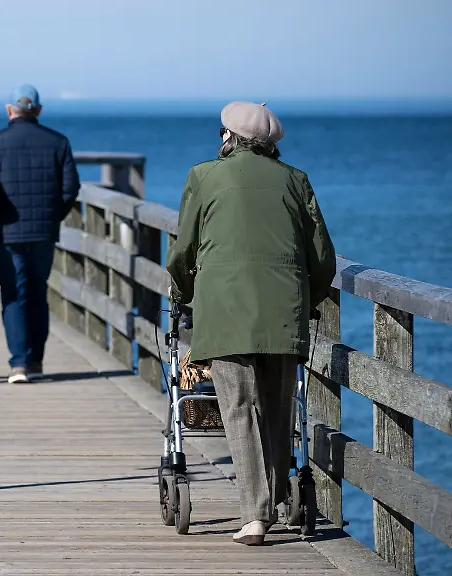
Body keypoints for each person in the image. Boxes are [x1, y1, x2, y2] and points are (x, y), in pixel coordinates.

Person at [166, 101, 336, 546]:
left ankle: (254, 517)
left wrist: (182, 295)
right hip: (283, 314)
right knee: (279, 411)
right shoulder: (295, 180)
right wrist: (309, 300)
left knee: (239, 409)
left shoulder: (203, 176)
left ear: (229, 137)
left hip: (224, 312)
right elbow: (323, 259)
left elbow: (183, 250)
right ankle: (278, 502)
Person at [0, 84, 80, 384]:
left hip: (6, 233)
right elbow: (70, 188)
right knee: (37, 293)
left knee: (13, 295)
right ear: (38, 110)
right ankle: (36, 361)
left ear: (9, 110)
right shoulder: (58, 142)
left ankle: (18, 363)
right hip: (43, 232)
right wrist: (53, 217)